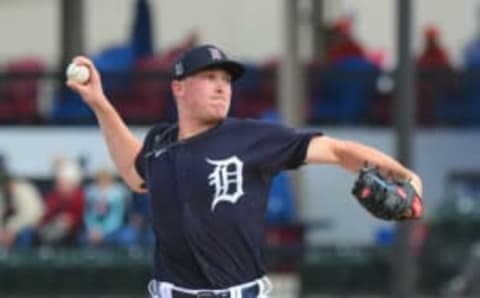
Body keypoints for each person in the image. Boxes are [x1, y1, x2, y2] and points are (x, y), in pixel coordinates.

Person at [67, 44, 423, 298]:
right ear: (178, 88)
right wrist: (100, 104)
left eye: (227, 79)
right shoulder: (161, 140)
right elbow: (134, 174)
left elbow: (336, 150)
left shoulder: (252, 137)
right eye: (209, 77)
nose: (222, 86)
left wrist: (405, 176)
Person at [0, 155, 44, 250]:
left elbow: (33, 215)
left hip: (26, 230)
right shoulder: (2, 192)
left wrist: (11, 230)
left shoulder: (24, 189)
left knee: (26, 235)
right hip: (6, 233)